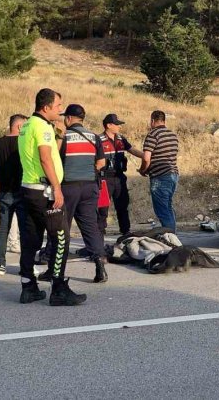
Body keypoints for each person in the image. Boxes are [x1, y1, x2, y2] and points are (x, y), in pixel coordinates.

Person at [17, 89, 86, 306]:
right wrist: (57, 188)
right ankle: (58, 288)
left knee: (31, 240)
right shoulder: (42, 126)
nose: (60, 110)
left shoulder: (27, 125)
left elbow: (47, 154)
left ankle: (28, 287)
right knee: (61, 239)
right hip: (44, 191)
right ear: (46, 107)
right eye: (58, 106)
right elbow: (46, 159)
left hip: (28, 189)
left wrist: (58, 136)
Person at [41, 104, 108, 283]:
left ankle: (52, 269)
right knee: (90, 227)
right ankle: (100, 265)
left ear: (69, 118)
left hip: (68, 187)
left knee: (59, 228)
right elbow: (101, 162)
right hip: (89, 188)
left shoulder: (64, 137)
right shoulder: (94, 137)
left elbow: (53, 160)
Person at [0, 114, 28, 276]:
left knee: (3, 229)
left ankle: (0, 264)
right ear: (18, 126)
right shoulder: (24, 142)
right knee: (25, 230)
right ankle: (26, 266)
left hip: (5, 193)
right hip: (23, 192)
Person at [98, 113, 143, 236]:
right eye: (116, 124)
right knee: (102, 208)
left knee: (122, 206)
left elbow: (131, 150)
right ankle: (99, 233)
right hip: (104, 179)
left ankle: (126, 232)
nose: (119, 127)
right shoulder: (99, 140)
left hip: (119, 178)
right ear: (108, 125)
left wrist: (145, 156)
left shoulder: (121, 139)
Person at [139, 110, 180, 232]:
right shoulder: (172, 135)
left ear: (152, 121)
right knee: (167, 206)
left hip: (160, 176)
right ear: (164, 120)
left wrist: (143, 170)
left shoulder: (153, 134)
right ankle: (172, 234)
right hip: (173, 175)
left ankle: (171, 237)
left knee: (162, 210)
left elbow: (146, 158)